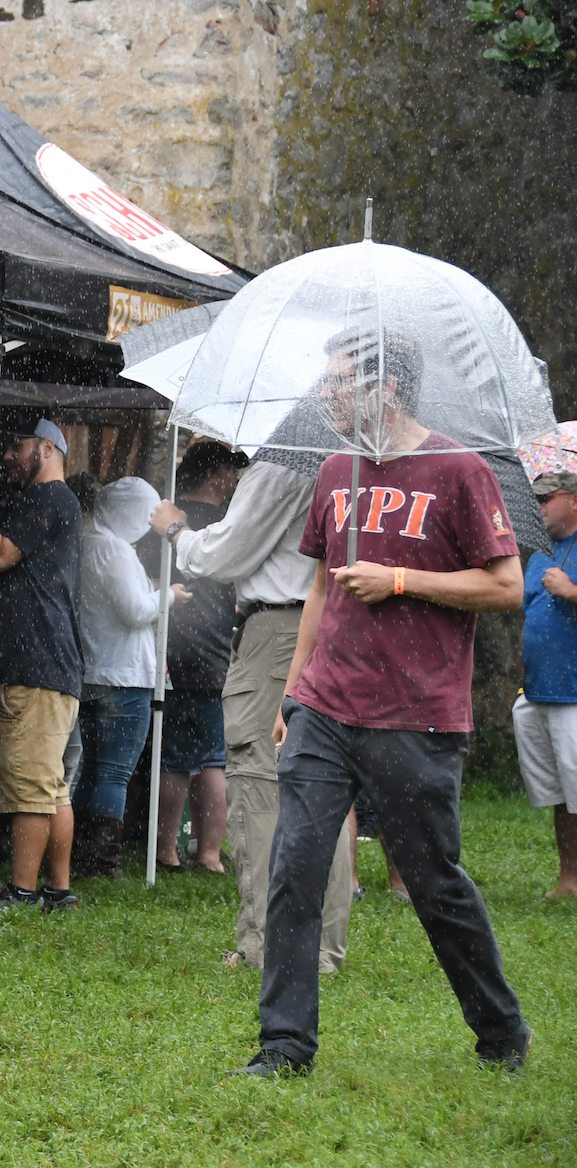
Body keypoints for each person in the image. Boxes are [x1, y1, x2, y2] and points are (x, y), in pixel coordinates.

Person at [235, 328, 531, 1078]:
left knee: (434, 883)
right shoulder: (336, 471)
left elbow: (505, 585)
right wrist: (292, 691)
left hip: (416, 714)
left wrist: (400, 580)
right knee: (293, 871)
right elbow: (320, 588)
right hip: (325, 707)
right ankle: (284, 1046)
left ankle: (501, 1029)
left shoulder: (459, 470)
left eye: (339, 380)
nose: (326, 394)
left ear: (386, 387)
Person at [151, 441, 356, 973]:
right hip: (334, 629)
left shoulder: (283, 460)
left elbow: (223, 555)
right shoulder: (349, 460)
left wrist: (176, 530)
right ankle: (323, 948)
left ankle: (267, 945)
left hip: (280, 633)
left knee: (261, 783)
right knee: (322, 789)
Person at [0, 420, 83, 913]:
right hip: (53, 665)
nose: (8, 455)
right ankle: (57, 891)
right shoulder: (60, 502)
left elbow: (0, 554)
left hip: (35, 666)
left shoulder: (48, 498)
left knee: (30, 787)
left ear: (46, 447)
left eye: (16, 446)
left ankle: (22, 891)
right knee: (51, 786)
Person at [69, 475, 185, 879]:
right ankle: (103, 862)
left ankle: (77, 852)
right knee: (114, 773)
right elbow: (135, 611)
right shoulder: (114, 549)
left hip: (92, 672)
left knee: (90, 769)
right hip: (125, 675)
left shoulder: (87, 542)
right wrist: (169, 595)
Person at [157, 442, 247, 873]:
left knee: (175, 756)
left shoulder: (166, 518)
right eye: (231, 471)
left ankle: (165, 851)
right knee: (213, 757)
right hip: (217, 650)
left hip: (173, 646)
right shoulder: (227, 524)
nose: (235, 480)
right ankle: (209, 853)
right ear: (213, 475)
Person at [516, 467, 577, 900]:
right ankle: (569, 880)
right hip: (538, 690)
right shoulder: (539, 552)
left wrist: (571, 591)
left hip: (574, 693)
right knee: (561, 795)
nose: (538, 508)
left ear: (574, 499)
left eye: (545, 499)